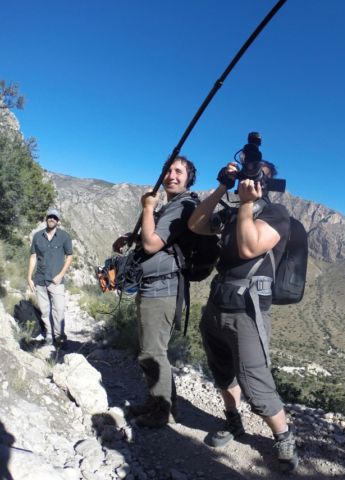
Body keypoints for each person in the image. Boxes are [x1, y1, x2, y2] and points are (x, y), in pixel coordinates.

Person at [188, 159, 298, 473]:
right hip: (217, 304)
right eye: (247, 172)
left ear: (268, 181)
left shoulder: (276, 214)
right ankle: (234, 422)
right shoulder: (233, 211)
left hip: (248, 311)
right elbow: (196, 224)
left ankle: (283, 436)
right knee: (222, 370)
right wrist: (223, 185)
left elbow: (250, 247)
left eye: (258, 173)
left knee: (256, 382)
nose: (251, 177)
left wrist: (248, 204)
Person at [114, 156, 198, 428]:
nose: (171, 175)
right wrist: (131, 237)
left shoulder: (182, 206)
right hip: (155, 287)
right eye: (168, 170)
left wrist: (148, 207)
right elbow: (156, 239)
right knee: (151, 349)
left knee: (152, 352)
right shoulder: (172, 206)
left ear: (188, 178)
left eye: (178, 171)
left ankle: (162, 412)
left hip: (163, 289)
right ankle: (158, 401)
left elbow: (152, 245)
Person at [27, 208, 73, 347]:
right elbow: (33, 256)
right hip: (40, 279)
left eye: (54, 217)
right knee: (45, 311)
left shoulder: (64, 236)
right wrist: (29, 277)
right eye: (49, 217)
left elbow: (69, 256)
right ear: (46, 219)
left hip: (56, 281)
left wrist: (60, 275)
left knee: (58, 310)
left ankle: (60, 338)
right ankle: (48, 336)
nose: (51, 219)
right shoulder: (37, 236)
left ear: (58, 221)